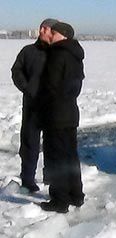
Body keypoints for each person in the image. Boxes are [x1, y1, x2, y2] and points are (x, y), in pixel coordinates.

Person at [38, 22, 85, 213]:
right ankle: (76, 195)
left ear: (63, 35)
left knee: (57, 157)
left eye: (54, 32)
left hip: (56, 114)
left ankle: (60, 200)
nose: (51, 34)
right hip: (70, 112)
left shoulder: (58, 53)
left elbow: (51, 85)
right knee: (70, 156)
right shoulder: (75, 54)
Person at [11, 18, 59, 193]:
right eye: (43, 28)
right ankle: (28, 179)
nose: (42, 31)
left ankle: (51, 180)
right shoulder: (28, 51)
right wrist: (27, 88)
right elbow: (16, 71)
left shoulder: (59, 53)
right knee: (30, 143)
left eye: (48, 29)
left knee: (52, 144)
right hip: (32, 106)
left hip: (53, 107)